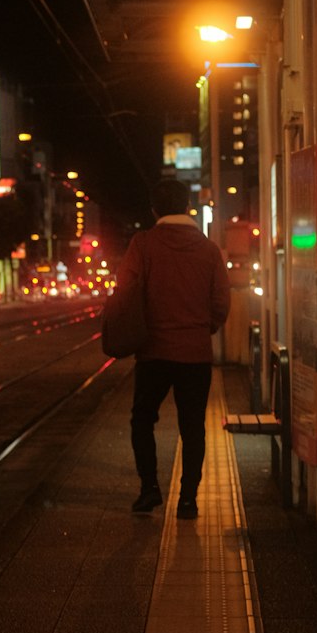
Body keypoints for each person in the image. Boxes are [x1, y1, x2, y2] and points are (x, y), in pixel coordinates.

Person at [117, 176, 230, 520]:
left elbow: (125, 291)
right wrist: (202, 328)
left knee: (142, 419)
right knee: (193, 426)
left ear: (154, 209)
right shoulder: (209, 249)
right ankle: (188, 500)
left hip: (153, 353)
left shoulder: (143, 244)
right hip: (195, 354)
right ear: (186, 207)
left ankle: (149, 489)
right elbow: (221, 302)